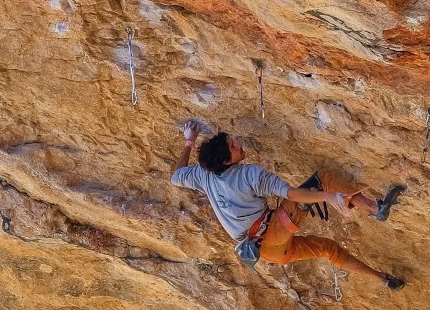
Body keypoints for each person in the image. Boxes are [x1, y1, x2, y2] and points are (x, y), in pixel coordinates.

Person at [171, 121, 407, 290]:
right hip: (272, 230)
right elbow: (293, 194)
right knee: (322, 177)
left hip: (265, 252)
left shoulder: (203, 175)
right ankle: (376, 209)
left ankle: (383, 279)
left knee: (328, 250)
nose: (239, 144)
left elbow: (176, 175)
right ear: (226, 160)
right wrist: (327, 196)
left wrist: (189, 141)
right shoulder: (249, 175)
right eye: (234, 146)